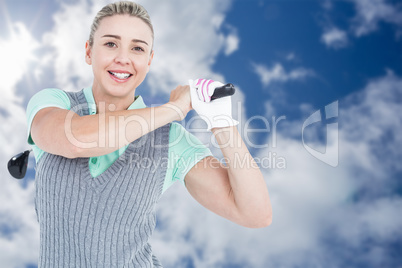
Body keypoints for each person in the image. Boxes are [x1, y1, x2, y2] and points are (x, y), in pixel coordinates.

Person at [26, 1, 272, 267]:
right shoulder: (53, 103)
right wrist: (175, 109)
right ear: (88, 51)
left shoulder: (171, 140)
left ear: (149, 60)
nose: (123, 58)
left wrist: (221, 121)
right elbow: (75, 140)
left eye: (137, 48)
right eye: (110, 44)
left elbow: (255, 214)